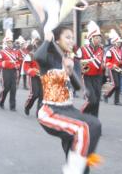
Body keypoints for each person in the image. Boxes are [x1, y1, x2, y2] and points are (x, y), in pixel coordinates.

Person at [34, 27, 101, 174]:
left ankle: (80, 167)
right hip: (51, 111)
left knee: (94, 125)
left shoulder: (72, 60)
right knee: (82, 129)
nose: (72, 41)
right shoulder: (49, 57)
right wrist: (46, 39)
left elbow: (77, 86)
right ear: (57, 40)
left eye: (72, 37)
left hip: (69, 110)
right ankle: (73, 170)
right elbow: (37, 57)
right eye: (67, 37)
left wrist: (70, 72)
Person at [76, 21, 104, 117]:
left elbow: (101, 64)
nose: (98, 40)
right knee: (91, 99)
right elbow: (77, 63)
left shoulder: (101, 50)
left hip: (97, 77)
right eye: (96, 38)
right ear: (91, 38)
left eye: (99, 38)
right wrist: (85, 63)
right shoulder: (82, 50)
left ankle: (94, 120)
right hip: (86, 77)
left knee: (97, 100)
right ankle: (81, 115)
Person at [0, 30, 20, 111]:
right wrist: (8, 63)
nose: (10, 44)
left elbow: (17, 61)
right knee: (6, 88)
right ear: (5, 43)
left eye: (11, 42)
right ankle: (1, 101)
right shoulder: (1, 52)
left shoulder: (15, 52)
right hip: (5, 72)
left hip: (13, 72)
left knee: (13, 89)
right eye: (8, 42)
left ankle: (12, 106)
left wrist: (17, 65)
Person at [103, 29, 122, 106]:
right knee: (116, 85)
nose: (119, 44)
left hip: (118, 69)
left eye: (120, 43)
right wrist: (113, 66)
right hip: (112, 69)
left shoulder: (121, 51)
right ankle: (106, 95)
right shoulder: (110, 51)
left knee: (118, 86)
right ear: (115, 43)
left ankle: (116, 101)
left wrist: (121, 63)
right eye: (118, 42)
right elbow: (107, 62)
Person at [23, 42, 42, 116]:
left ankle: (39, 112)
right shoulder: (30, 55)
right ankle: (27, 107)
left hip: (42, 77)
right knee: (34, 94)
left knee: (42, 95)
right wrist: (32, 71)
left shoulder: (45, 55)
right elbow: (26, 67)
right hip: (33, 76)